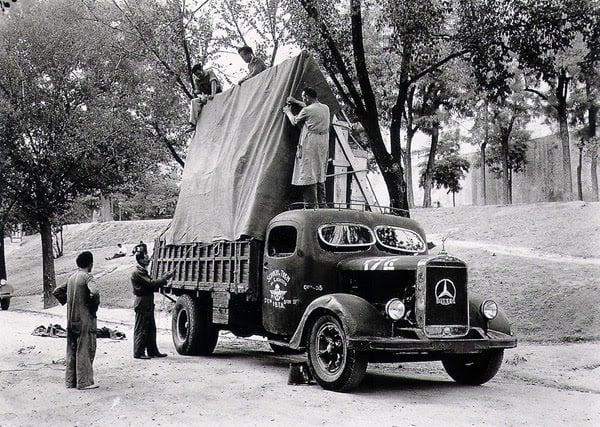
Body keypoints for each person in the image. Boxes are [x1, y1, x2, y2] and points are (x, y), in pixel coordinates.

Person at [52, 251, 100, 390]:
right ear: (90, 264)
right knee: (85, 348)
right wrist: (92, 306)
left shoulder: (72, 278)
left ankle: (70, 381)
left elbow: (57, 291)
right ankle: (84, 382)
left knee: (71, 349)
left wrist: (69, 301)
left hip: (71, 319)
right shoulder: (87, 277)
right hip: (85, 319)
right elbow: (95, 292)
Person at [282, 87, 330, 207]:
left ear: (307, 97)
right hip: (323, 143)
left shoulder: (307, 110)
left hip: (311, 142)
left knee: (309, 173)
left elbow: (294, 121)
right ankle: (322, 204)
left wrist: (288, 111)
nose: (303, 99)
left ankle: (310, 205)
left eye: (304, 97)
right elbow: (309, 106)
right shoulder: (325, 107)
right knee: (319, 173)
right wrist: (296, 101)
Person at [131, 252, 174, 359]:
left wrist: (163, 279)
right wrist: (164, 278)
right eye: (146, 258)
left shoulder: (142, 271)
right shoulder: (138, 272)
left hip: (147, 301)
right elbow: (151, 284)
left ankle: (153, 351)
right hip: (143, 302)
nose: (148, 259)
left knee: (150, 327)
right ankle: (138, 352)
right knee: (142, 327)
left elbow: (151, 285)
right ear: (141, 260)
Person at [188, 62, 222, 133]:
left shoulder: (210, 72)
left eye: (199, 73)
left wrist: (213, 95)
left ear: (201, 70)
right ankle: (193, 124)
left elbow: (213, 83)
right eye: (196, 75)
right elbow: (198, 93)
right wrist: (202, 97)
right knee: (194, 101)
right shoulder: (197, 80)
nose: (198, 76)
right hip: (207, 96)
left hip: (216, 92)